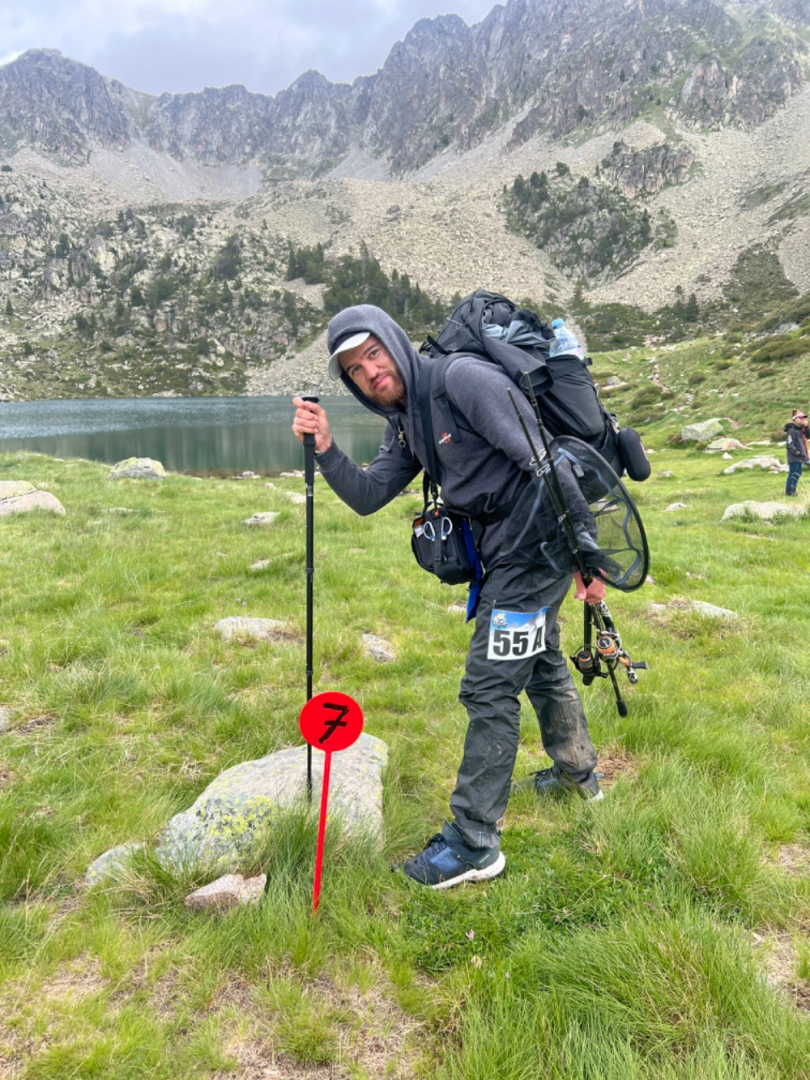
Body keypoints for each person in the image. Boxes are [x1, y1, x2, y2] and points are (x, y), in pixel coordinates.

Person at [292, 305, 605, 890]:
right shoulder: (406, 417)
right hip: (501, 554)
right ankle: (578, 775)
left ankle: (474, 842)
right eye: (355, 369)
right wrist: (328, 449)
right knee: (539, 660)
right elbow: (369, 494)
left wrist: (589, 557)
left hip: (536, 548)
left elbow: (545, 460)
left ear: (393, 343)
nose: (370, 372)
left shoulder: (462, 379)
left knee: (489, 686)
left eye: (373, 354)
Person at [784, 410, 807, 496]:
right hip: (794, 456)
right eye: (800, 418)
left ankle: (793, 489)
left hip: (799, 456)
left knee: (798, 473)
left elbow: (808, 435)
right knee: (793, 473)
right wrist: (797, 452)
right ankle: (789, 491)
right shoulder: (791, 430)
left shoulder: (800, 430)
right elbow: (789, 444)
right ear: (795, 419)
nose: (802, 419)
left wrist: (807, 427)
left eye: (803, 418)